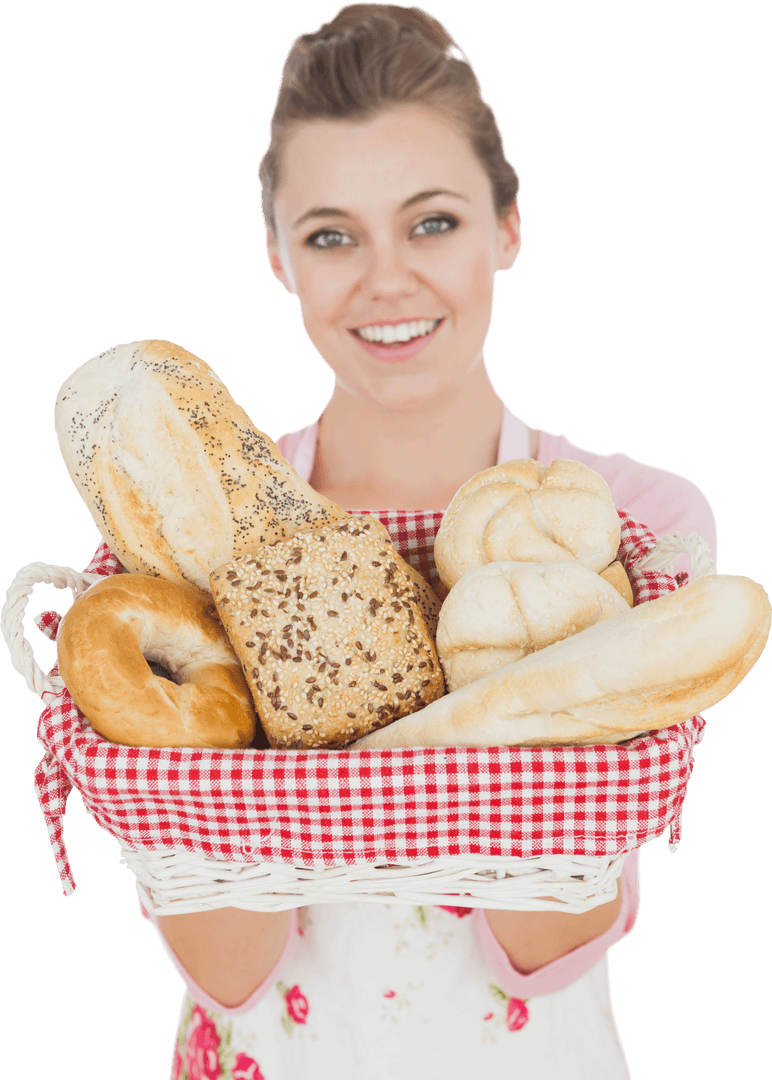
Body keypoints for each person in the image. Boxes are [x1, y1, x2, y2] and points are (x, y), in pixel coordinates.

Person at [144, 5, 718, 1078]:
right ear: (275, 254)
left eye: (432, 223)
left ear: (506, 225)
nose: (386, 281)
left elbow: (543, 944)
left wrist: (290, 803)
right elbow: (229, 968)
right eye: (329, 236)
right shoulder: (196, 546)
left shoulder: (630, 526)